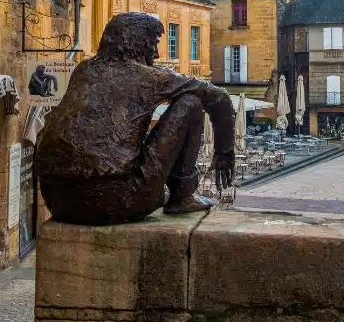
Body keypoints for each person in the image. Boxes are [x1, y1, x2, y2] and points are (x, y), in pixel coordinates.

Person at [36, 13, 235, 225]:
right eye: (153, 44)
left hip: (58, 201)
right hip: (116, 201)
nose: (156, 54)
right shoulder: (149, 77)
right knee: (191, 103)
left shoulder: (83, 70)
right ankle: (182, 196)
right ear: (139, 43)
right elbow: (220, 97)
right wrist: (225, 152)